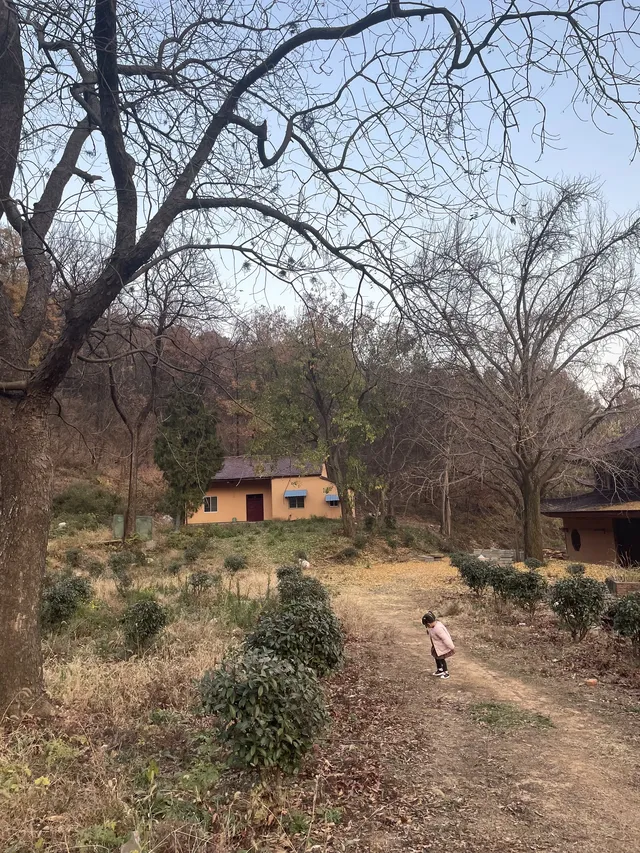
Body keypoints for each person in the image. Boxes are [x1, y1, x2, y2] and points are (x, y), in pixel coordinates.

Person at [422, 611, 455, 678]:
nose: (427, 627)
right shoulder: (432, 627)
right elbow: (431, 631)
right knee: (436, 657)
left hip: (441, 647)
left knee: (441, 659)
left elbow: (445, 638)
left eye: (427, 625)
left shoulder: (438, 628)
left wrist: (451, 646)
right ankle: (440, 670)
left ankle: (446, 672)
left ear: (429, 623)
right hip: (436, 646)